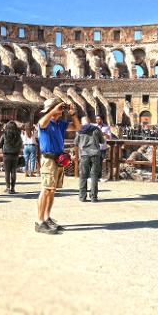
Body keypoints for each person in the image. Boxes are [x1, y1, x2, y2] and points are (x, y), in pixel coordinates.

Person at [36, 98, 81, 234]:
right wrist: (52, 111)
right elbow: (41, 123)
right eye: (59, 108)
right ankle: (39, 222)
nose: (61, 110)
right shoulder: (45, 122)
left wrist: (73, 114)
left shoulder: (60, 124)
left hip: (58, 160)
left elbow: (78, 127)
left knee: (52, 190)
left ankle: (47, 217)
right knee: (46, 190)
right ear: (51, 109)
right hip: (48, 160)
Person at [75, 117, 105, 202]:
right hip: (95, 154)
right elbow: (102, 141)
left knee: (83, 176)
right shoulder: (96, 129)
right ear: (89, 122)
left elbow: (75, 142)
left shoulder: (79, 130)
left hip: (84, 154)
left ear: (82, 122)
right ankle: (93, 197)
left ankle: (82, 197)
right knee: (94, 176)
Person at [0, 121, 23, 194]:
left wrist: (2, 147)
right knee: (13, 172)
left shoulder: (4, 135)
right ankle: (13, 188)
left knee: (7, 172)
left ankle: (8, 188)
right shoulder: (18, 135)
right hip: (15, 155)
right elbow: (20, 144)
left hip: (6, 155)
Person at [94, 115, 111, 181]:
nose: (98, 121)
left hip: (102, 147)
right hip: (94, 147)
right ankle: (94, 176)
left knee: (100, 162)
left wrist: (105, 134)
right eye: (97, 119)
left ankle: (99, 177)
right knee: (94, 162)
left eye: (99, 119)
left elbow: (109, 137)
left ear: (102, 120)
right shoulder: (94, 127)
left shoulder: (106, 127)